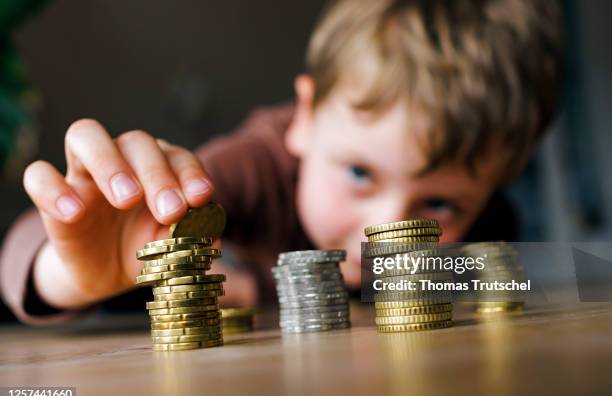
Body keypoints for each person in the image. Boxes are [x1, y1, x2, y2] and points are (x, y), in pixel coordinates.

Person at [0, 0, 563, 324]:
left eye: (440, 203)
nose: (384, 230)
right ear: (305, 117)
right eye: (360, 173)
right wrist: (65, 272)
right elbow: (23, 254)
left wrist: (259, 291)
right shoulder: (244, 172)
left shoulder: (491, 232)